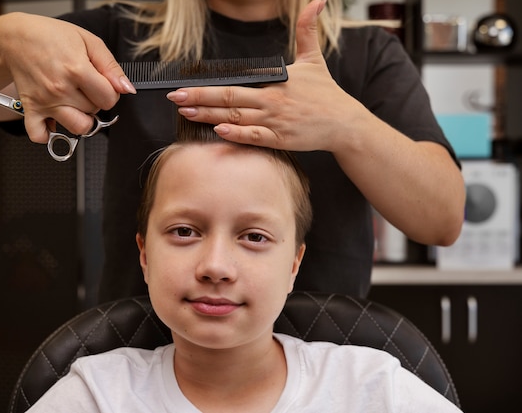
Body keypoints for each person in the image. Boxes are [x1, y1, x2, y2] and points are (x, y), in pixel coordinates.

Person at [0, 0, 465, 301]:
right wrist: (3, 38)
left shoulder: (366, 55)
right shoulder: (116, 38)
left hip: (320, 351)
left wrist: (347, 125)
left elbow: (441, 218)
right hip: (144, 349)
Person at [23, 120, 462, 412]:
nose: (216, 267)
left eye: (254, 237)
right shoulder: (95, 397)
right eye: (184, 232)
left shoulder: (374, 391)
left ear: (294, 264)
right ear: (143, 255)